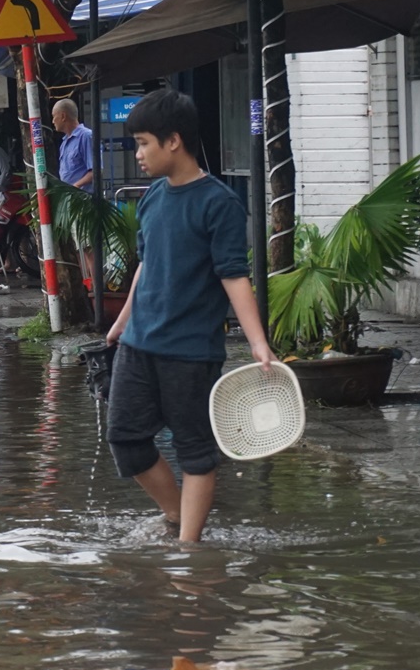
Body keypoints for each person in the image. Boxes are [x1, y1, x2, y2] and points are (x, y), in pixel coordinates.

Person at [101, 88, 273, 544]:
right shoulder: (154, 198)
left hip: (191, 354)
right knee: (126, 438)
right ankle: (177, 516)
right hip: (138, 345)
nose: (138, 153)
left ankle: (188, 552)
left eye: (143, 143)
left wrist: (257, 343)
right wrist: (119, 327)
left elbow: (234, 277)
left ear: (173, 140)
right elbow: (146, 266)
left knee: (195, 452)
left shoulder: (219, 203)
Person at [53, 97, 99, 299]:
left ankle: (98, 290)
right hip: (69, 200)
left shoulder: (85, 137)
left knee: (89, 247)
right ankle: (86, 288)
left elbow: (95, 171)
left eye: (54, 117)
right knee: (78, 247)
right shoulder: (65, 143)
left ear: (63, 116)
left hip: (83, 199)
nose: (53, 121)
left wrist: (75, 186)